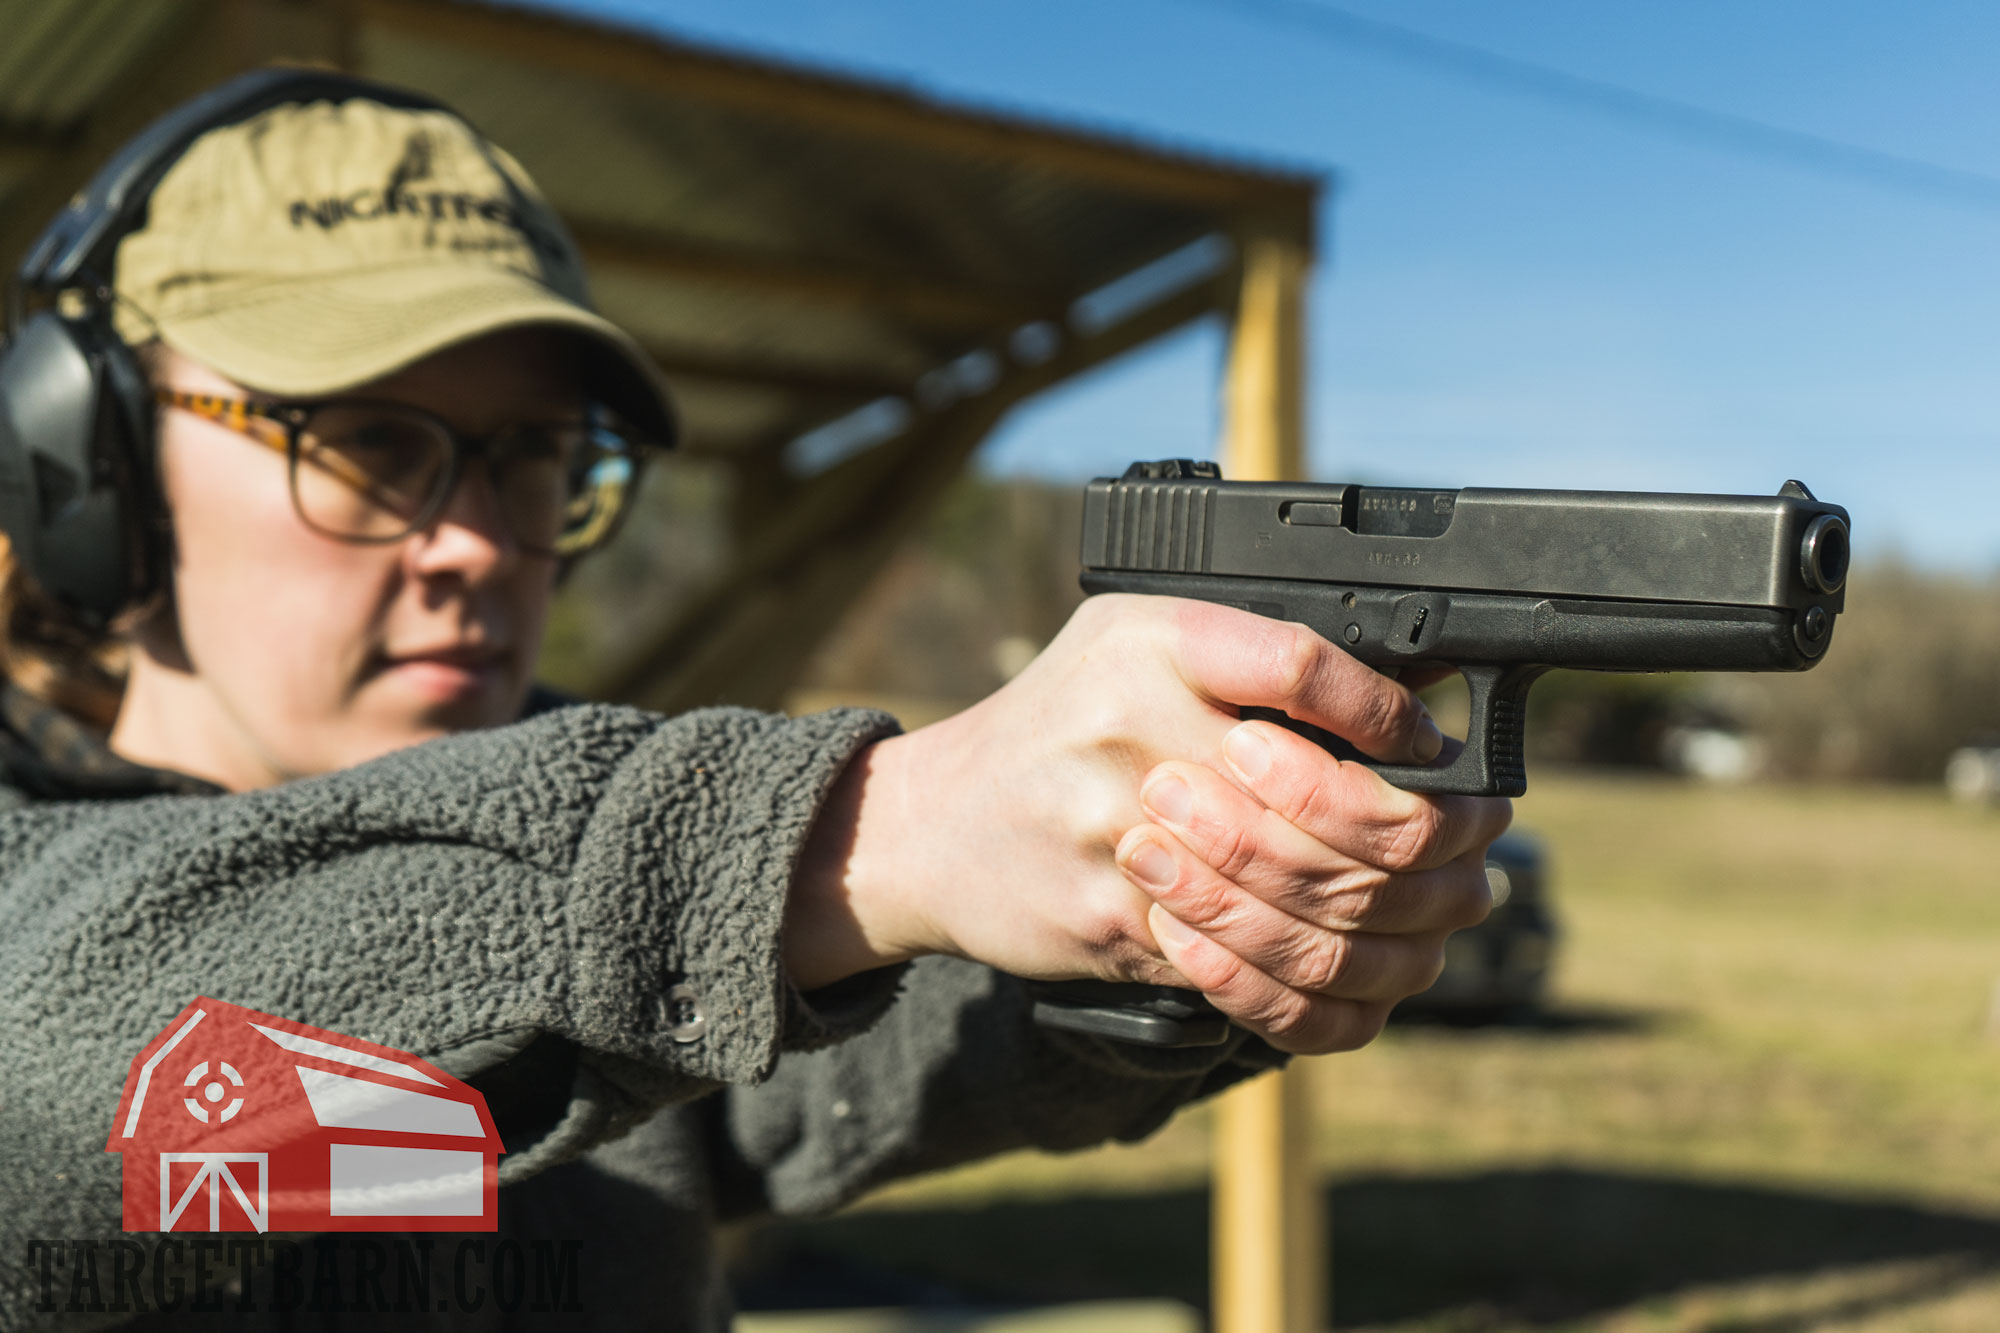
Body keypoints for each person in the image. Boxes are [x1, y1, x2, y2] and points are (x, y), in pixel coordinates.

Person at [0, 71, 1510, 1328]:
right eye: (367, 444)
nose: (474, 538)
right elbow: (73, 1047)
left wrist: (1186, 894)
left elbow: (807, 1071)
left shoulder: (572, 906)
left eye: (532, 452)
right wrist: (879, 826)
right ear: (94, 477)